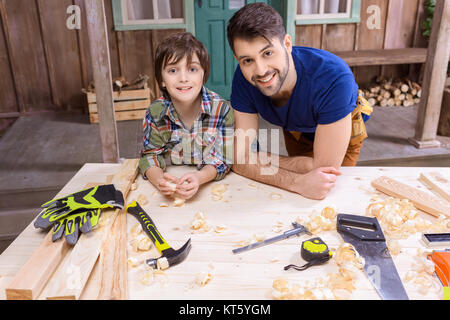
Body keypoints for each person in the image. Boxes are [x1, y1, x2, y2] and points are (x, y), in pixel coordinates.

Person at [227, 3, 372, 200]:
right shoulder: (244, 77)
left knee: (327, 194)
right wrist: (296, 180)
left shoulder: (334, 78)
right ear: (238, 60)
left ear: (287, 44)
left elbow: (323, 171)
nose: (260, 70)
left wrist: (256, 159)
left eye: (268, 53)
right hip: (296, 129)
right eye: (247, 60)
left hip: (341, 127)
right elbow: (239, 160)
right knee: (297, 192)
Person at [139, 32, 234, 200]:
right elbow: (150, 155)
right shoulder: (155, 113)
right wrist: (160, 180)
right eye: (173, 70)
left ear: (203, 74)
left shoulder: (221, 110)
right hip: (177, 176)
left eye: (192, 69)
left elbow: (223, 159)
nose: (183, 78)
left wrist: (200, 178)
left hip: (214, 186)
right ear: (161, 79)